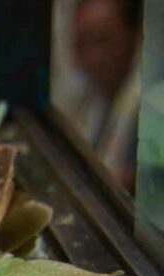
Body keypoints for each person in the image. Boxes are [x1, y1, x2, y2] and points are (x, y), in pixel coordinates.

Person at [65, 0, 142, 190]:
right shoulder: (85, 100)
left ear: (135, 37)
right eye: (82, 43)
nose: (92, 58)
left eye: (102, 41)